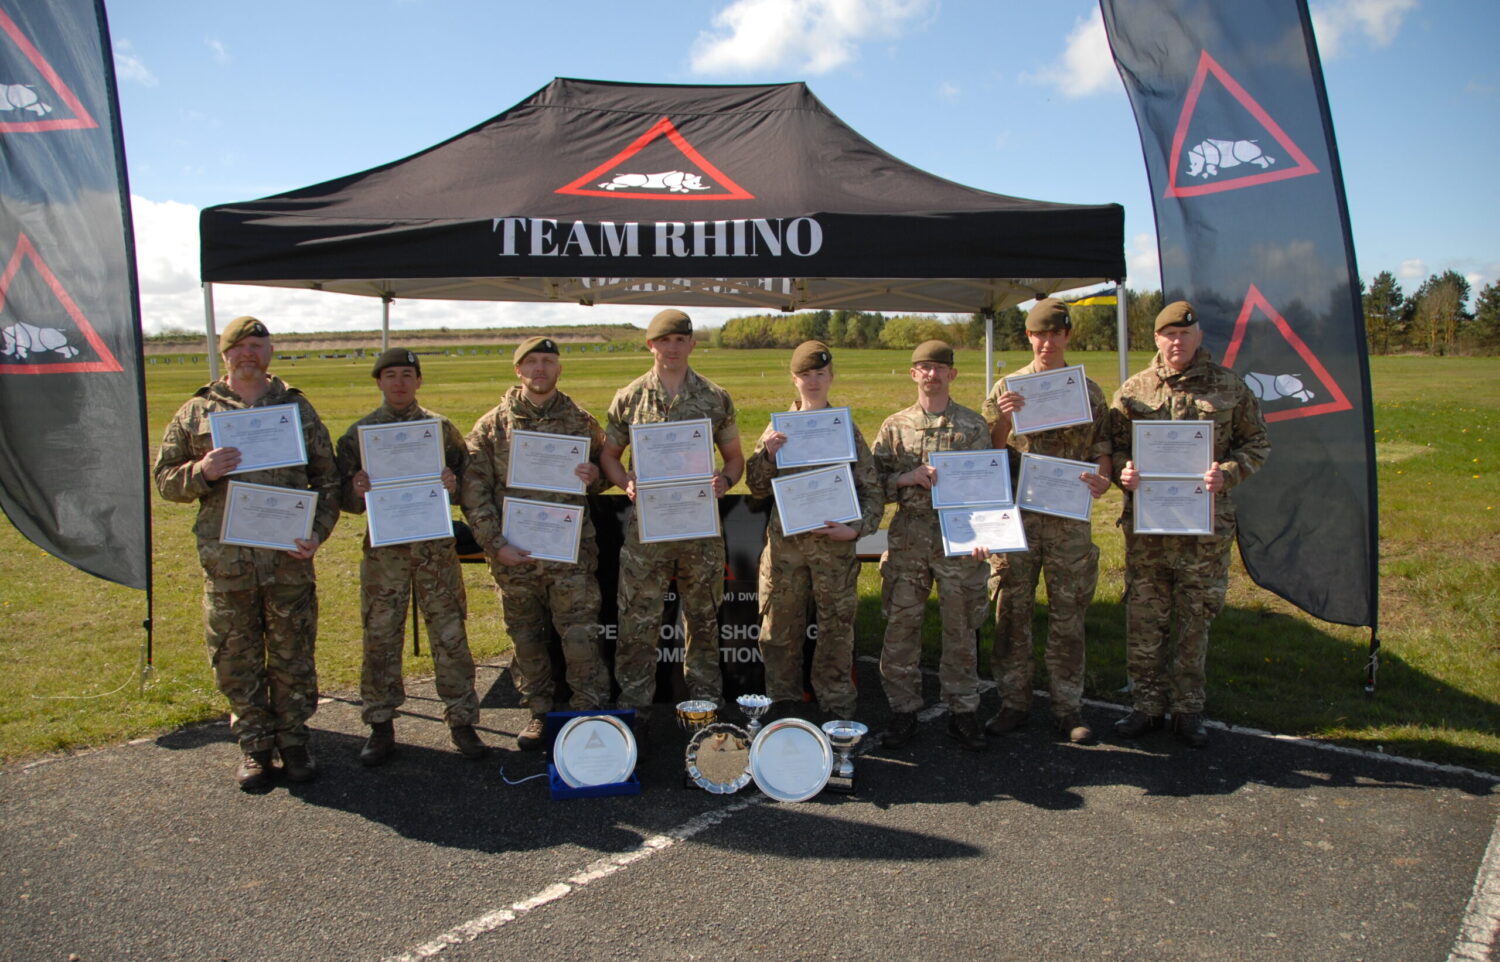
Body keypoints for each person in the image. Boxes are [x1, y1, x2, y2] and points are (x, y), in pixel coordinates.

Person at [153, 316, 340, 790]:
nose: (249, 354)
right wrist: (203, 470)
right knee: (235, 656)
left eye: (258, 345)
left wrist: (317, 532)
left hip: (288, 559)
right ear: (225, 354)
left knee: (293, 652)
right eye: (239, 347)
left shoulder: (295, 408)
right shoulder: (197, 411)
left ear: (270, 352)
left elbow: (328, 478)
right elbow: (164, 481)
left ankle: (294, 741)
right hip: (228, 562)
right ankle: (255, 745)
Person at [1110, 301, 1270, 748]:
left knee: (1194, 618)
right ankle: (1146, 706)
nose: (1176, 342)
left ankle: (1187, 709)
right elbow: (1114, 446)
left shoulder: (1229, 386)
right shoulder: (1134, 390)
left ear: (1198, 337)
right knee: (1145, 618)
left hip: (1204, 530)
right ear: (1156, 339)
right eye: (1169, 335)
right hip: (1149, 531)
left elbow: (1257, 443)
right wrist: (1123, 471)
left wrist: (1229, 473)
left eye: (1184, 334)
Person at [335, 348, 485, 766]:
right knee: (381, 637)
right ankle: (380, 724)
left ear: (418, 381)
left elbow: (469, 483)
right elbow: (341, 496)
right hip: (386, 554)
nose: (399, 383)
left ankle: (462, 720)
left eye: (407, 374)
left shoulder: (439, 429)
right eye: (390, 375)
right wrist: (356, 490)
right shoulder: (359, 434)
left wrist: (453, 485)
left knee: (450, 635)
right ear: (379, 382)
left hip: (435, 550)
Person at [599, 309, 744, 741]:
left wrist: (725, 480)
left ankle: (705, 711)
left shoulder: (715, 397)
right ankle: (635, 713)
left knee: (703, 623)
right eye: (665, 340)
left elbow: (735, 458)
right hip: (648, 533)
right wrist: (624, 481)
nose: (673, 348)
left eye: (681, 340)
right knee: (638, 624)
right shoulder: (629, 398)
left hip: (700, 532)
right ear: (651, 346)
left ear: (692, 345)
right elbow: (609, 456)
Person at [461, 336, 611, 751]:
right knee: (526, 640)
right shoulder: (491, 427)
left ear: (559, 368)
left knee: (580, 639)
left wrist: (595, 477)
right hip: (515, 556)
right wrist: (496, 545)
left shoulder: (582, 422)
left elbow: (604, 474)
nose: (540, 369)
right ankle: (540, 711)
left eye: (547, 361)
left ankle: (587, 713)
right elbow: (474, 493)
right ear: (518, 370)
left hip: (569, 557)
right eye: (531, 362)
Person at [981, 298, 1113, 744]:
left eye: (1055, 334)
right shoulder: (1007, 387)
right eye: (1039, 334)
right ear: (1028, 337)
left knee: (1068, 614)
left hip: (1068, 520)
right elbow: (989, 452)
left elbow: (1103, 447)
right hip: (1017, 519)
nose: (1047, 342)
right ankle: (1013, 702)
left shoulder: (1089, 391)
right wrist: (1004, 418)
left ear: (1067, 336)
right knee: (1011, 611)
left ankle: (1067, 708)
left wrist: (1103, 477)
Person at [746, 341, 884, 721]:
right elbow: (756, 487)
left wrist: (856, 530)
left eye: (819, 374)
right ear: (794, 380)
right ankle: (783, 707)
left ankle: (837, 711)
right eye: (805, 375)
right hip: (785, 554)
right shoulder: (777, 428)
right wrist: (768, 455)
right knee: (778, 633)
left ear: (831, 376)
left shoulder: (846, 430)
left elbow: (872, 490)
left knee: (836, 633)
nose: (813, 381)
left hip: (833, 552)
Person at [872, 340, 993, 752]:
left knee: (961, 627)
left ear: (952, 374)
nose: (932, 374)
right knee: (901, 625)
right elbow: (872, 485)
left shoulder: (973, 426)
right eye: (924, 367)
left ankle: (963, 711)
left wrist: (987, 537)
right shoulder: (894, 426)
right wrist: (905, 478)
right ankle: (902, 710)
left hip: (959, 538)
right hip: (909, 537)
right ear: (913, 374)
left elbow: (988, 488)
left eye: (940, 367)